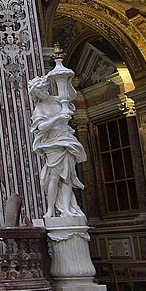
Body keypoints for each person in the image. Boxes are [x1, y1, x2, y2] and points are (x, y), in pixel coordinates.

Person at [28, 60, 86, 219]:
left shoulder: (57, 100)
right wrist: (58, 118)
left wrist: (67, 81)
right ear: (36, 94)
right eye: (39, 92)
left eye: (43, 89)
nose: (43, 93)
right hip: (53, 143)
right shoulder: (39, 108)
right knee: (54, 177)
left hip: (66, 139)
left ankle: (66, 209)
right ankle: (50, 210)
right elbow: (41, 127)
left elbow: (70, 96)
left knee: (67, 177)